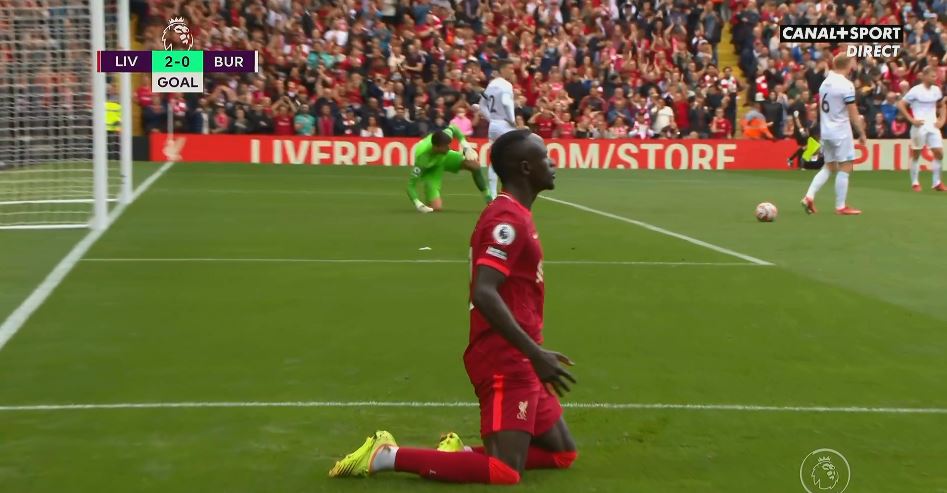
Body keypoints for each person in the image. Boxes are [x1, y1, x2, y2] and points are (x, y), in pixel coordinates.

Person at [329, 130, 577, 484]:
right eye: (545, 157)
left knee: (561, 453)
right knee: (505, 471)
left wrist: (534, 352)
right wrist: (534, 353)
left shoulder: (515, 213)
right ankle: (385, 456)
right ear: (525, 168)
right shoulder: (506, 221)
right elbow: (484, 292)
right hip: (506, 357)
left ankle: (456, 455)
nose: (553, 163)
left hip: (522, 353)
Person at [801, 54, 865, 216]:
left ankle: (809, 196)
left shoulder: (825, 83)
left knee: (829, 166)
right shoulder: (846, 85)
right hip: (841, 131)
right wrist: (861, 132)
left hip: (827, 130)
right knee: (846, 166)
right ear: (848, 65)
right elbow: (852, 111)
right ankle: (841, 206)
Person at [406, 124, 491, 213]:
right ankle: (430, 196)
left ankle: (487, 196)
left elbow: (454, 128)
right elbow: (410, 186)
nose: (448, 148)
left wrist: (465, 145)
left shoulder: (443, 138)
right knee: (437, 207)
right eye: (445, 146)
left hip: (443, 157)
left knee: (474, 165)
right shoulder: (422, 160)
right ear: (436, 147)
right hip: (431, 170)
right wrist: (418, 204)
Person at [898, 66, 946, 192]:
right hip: (919, 126)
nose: (935, 78)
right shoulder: (915, 91)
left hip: (933, 125)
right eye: (932, 76)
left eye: (935, 76)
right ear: (924, 76)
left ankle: (937, 183)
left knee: (939, 154)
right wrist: (912, 120)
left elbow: (941, 105)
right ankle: (915, 182)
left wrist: (942, 120)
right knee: (916, 154)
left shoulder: (936, 90)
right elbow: (901, 104)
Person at [476, 60, 518, 200]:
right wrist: (512, 120)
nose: (512, 71)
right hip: (505, 125)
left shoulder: (491, 85)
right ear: (502, 69)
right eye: (510, 68)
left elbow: (482, 106)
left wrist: (491, 119)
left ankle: (493, 194)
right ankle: (510, 191)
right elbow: (506, 103)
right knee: (511, 158)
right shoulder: (506, 85)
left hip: (494, 125)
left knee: (495, 159)